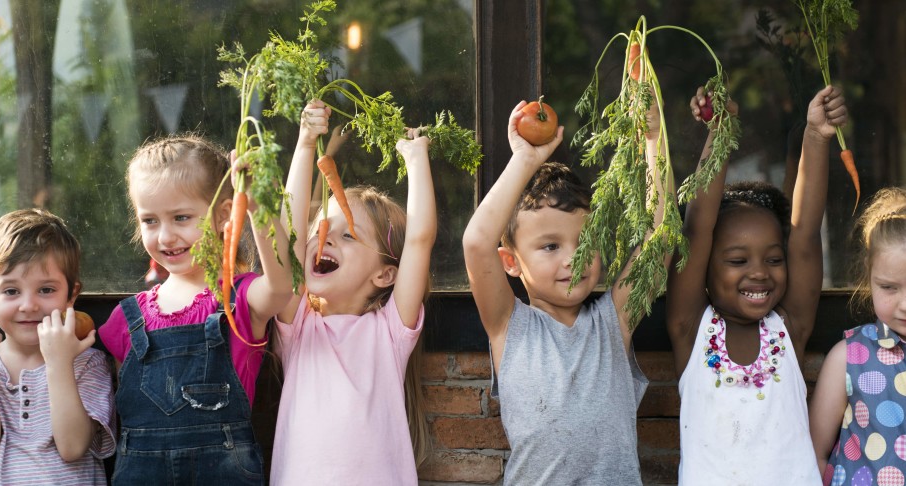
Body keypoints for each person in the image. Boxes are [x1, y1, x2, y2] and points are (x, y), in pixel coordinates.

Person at [464, 100, 668, 483]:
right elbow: (476, 243)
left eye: (585, 240)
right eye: (550, 246)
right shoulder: (510, 325)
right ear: (510, 262)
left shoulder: (613, 321)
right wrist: (524, 160)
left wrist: (654, 141)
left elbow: (658, 243)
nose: (574, 259)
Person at [665, 86, 847, 484]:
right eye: (737, 260)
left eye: (773, 259)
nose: (759, 272)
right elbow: (697, 229)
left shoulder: (789, 328)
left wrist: (816, 137)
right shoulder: (691, 330)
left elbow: (803, 235)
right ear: (706, 269)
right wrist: (720, 133)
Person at [97, 135, 293, 484]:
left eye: (181, 217)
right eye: (150, 221)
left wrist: (258, 206)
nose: (166, 236)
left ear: (222, 216)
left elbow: (280, 287)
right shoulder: (126, 319)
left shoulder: (240, 300)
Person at [269, 100, 435, 485]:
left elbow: (420, 240)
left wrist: (416, 161)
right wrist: (306, 144)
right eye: (322, 231)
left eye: (347, 236)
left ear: (385, 274)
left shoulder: (390, 331)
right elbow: (288, 237)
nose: (325, 240)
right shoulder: (298, 327)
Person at [0, 209, 116, 485]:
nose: (29, 305)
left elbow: (73, 447)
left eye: (46, 289)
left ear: (71, 295)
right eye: (11, 291)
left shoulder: (86, 361)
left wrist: (59, 363)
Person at [810, 187, 906, 483]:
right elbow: (813, 452)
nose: (904, 305)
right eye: (888, 287)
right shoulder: (849, 357)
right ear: (869, 276)